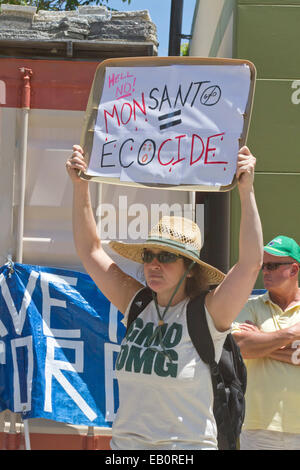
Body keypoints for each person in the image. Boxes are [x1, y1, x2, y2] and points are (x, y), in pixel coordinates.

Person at [66, 144, 263, 450]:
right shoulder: (138, 303)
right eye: (149, 254)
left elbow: (251, 264)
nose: (154, 264)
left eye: (167, 257)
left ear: (190, 269)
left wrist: (247, 191)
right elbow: (90, 251)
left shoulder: (208, 314)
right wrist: (80, 186)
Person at [232, 235, 300, 450]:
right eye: (263, 266)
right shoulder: (248, 305)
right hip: (257, 426)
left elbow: (250, 347)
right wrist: (293, 334)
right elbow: (239, 347)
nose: (265, 271)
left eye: (272, 265)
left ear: (294, 270)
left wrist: (261, 341)